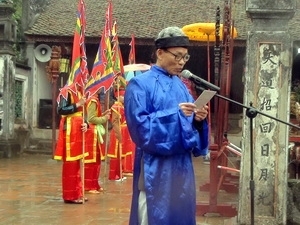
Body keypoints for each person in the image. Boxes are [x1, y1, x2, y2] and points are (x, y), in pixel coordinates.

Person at [124, 26, 209, 225]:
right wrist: (177, 115)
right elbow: (140, 129)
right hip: (155, 165)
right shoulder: (139, 85)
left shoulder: (181, 85)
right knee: (153, 215)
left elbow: (189, 128)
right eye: (177, 56)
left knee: (181, 213)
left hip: (181, 166)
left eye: (185, 57)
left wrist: (197, 120)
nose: (181, 62)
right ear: (160, 53)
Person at [54, 84, 88, 204]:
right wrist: (78, 104)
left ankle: (79, 192)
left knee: (79, 163)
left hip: (78, 130)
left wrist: (86, 124)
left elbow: (83, 113)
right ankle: (70, 195)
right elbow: (61, 109)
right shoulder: (66, 91)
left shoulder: (80, 92)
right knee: (70, 164)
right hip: (69, 131)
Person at [84, 90, 111, 193]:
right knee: (92, 161)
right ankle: (89, 185)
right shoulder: (92, 100)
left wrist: (104, 114)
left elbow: (95, 116)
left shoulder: (94, 99)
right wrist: (104, 118)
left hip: (94, 133)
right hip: (92, 133)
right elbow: (91, 119)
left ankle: (94, 184)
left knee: (97, 160)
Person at [107, 87, 135, 181]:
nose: (124, 97)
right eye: (123, 96)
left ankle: (119, 173)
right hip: (118, 132)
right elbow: (115, 122)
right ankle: (114, 175)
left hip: (124, 131)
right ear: (118, 96)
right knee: (115, 154)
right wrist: (119, 135)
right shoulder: (116, 107)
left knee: (121, 154)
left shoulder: (122, 106)